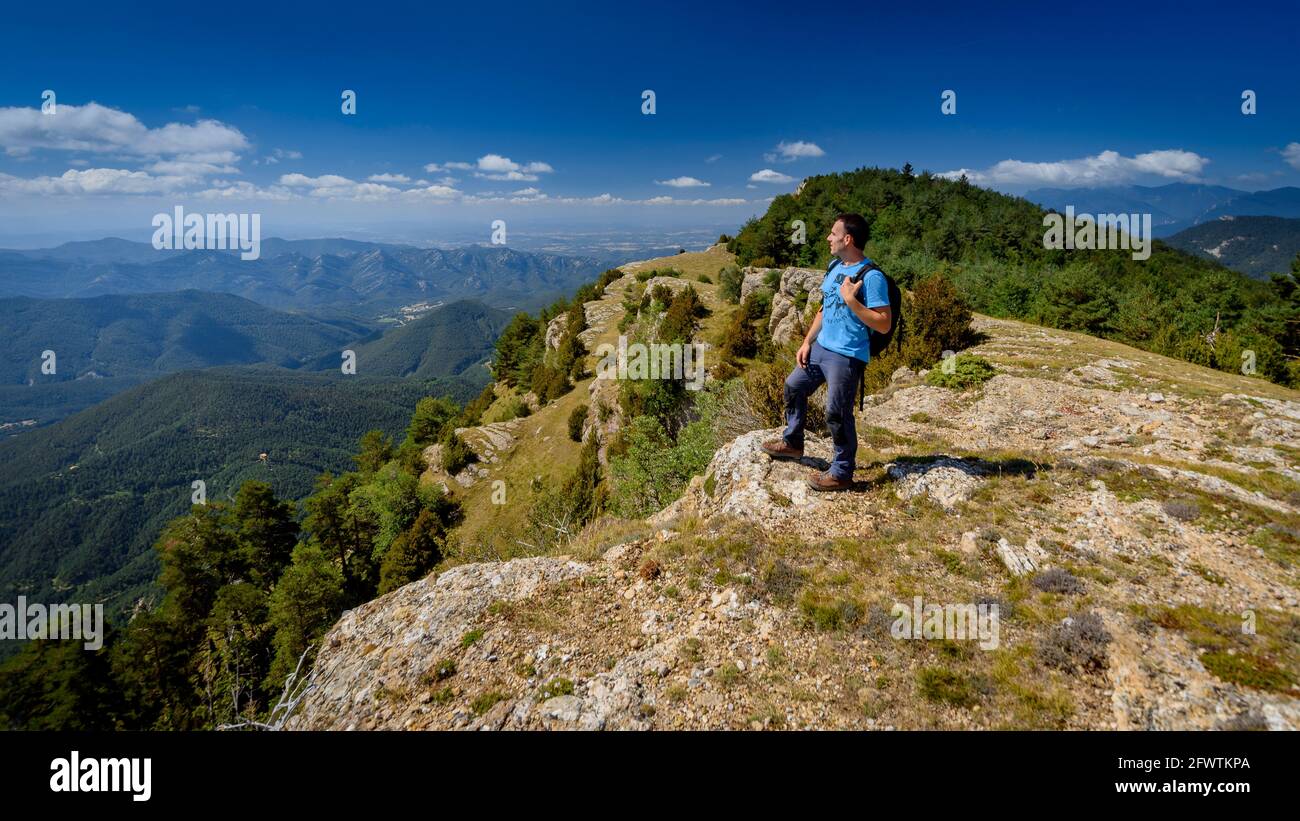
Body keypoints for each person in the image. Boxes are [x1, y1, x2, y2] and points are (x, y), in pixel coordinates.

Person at [761, 213, 891, 491]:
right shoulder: (835, 266)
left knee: (837, 412)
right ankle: (793, 443)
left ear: (848, 238)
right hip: (821, 347)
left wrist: (852, 302)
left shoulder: (872, 277)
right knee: (793, 386)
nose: (828, 238)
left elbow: (883, 323)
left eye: (833, 233)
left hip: (846, 355)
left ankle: (842, 472)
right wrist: (807, 341)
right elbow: (824, 308)